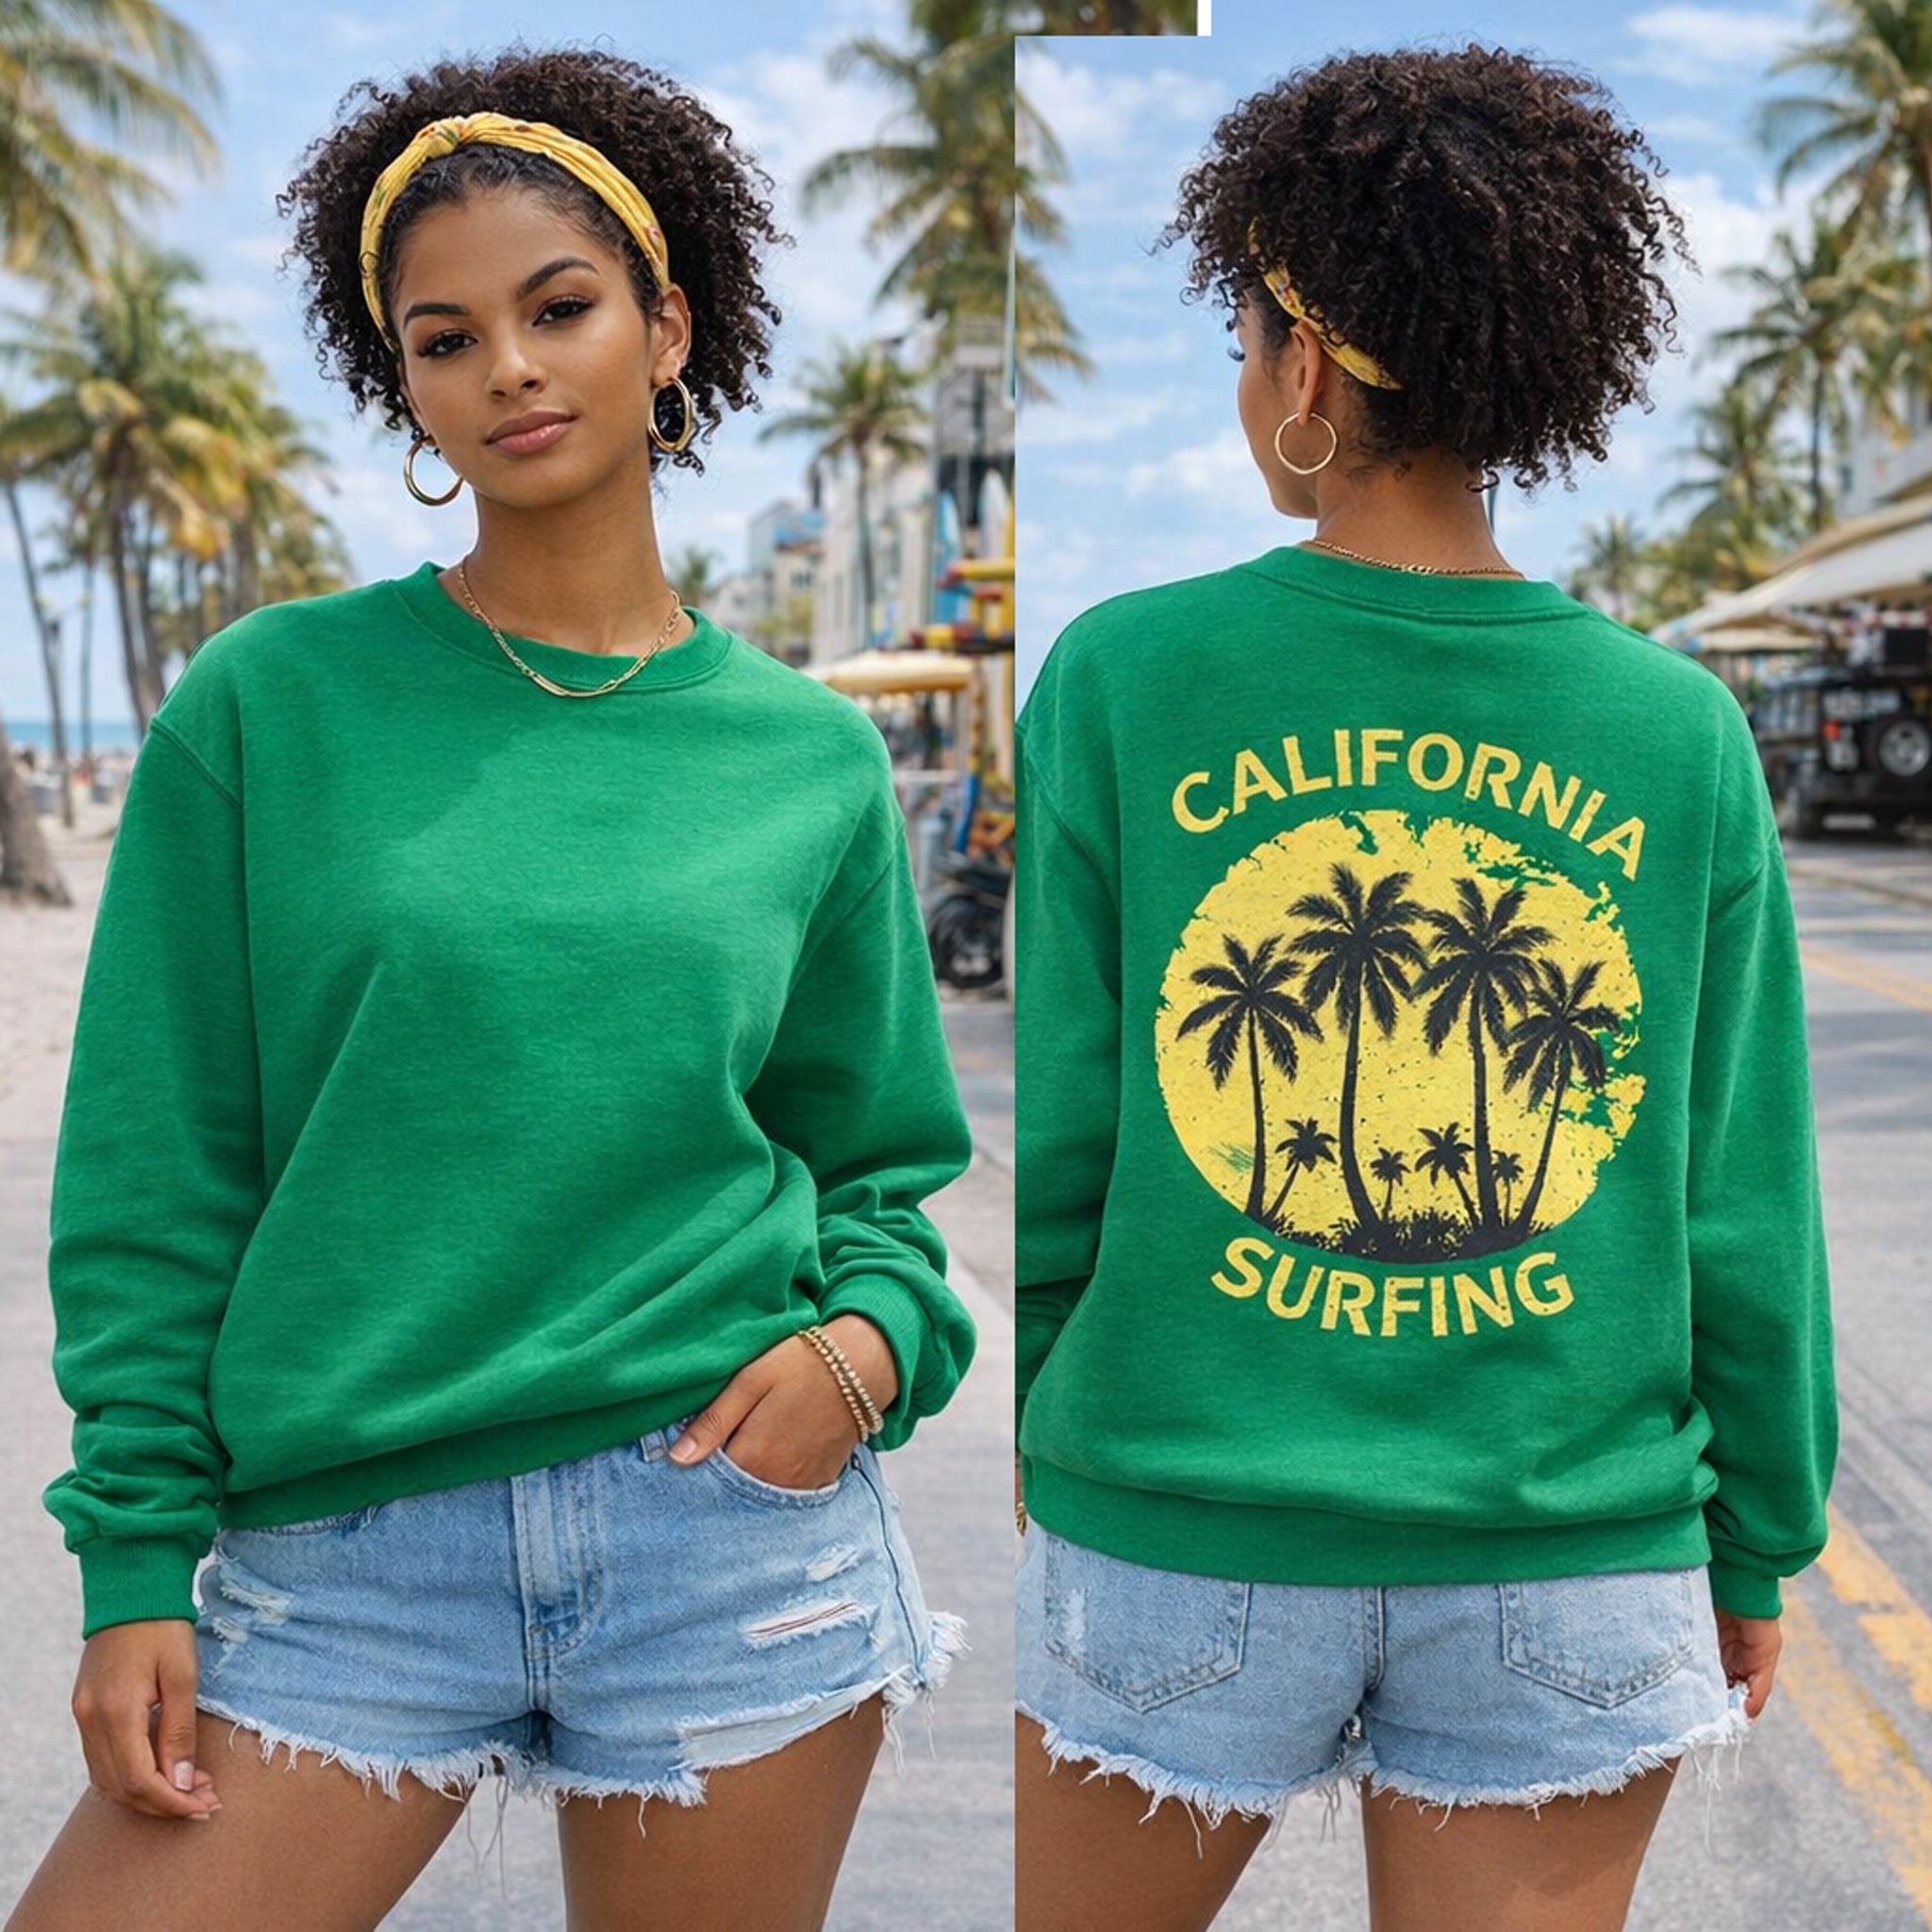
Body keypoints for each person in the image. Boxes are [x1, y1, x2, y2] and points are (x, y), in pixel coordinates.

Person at [11, 44, 973, 1932]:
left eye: (558, 308)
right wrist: (134, 1557)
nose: (508, 369)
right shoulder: (266, 709)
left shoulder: (808, 758)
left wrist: (864, 1354)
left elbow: (871, 1166)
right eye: (443, 339)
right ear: (404, 386)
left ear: (665, 324)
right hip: (343, 1559)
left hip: (731, 1537)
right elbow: (157, 1170)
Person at [1014, 44, 1835, 1932]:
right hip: (1573, 1553)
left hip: (1179, 1516)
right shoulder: (1674, 728)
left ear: (1302, 363)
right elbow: (1738, 1200)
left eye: (1240, 338)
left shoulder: (1125, 678)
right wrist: (1758, 1534)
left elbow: (1067, 1132)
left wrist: (1080, 1441)